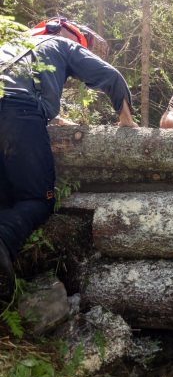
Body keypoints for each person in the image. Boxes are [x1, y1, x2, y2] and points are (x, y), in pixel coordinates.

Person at [0, 17, 138, 302]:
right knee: (37, 200)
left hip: (12, 105)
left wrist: (54, 116)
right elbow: (109, 75)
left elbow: (23, 84)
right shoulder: (63, 43)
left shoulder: (12, 45)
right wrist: (127, 120)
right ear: (71, 36)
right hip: (17, 112)